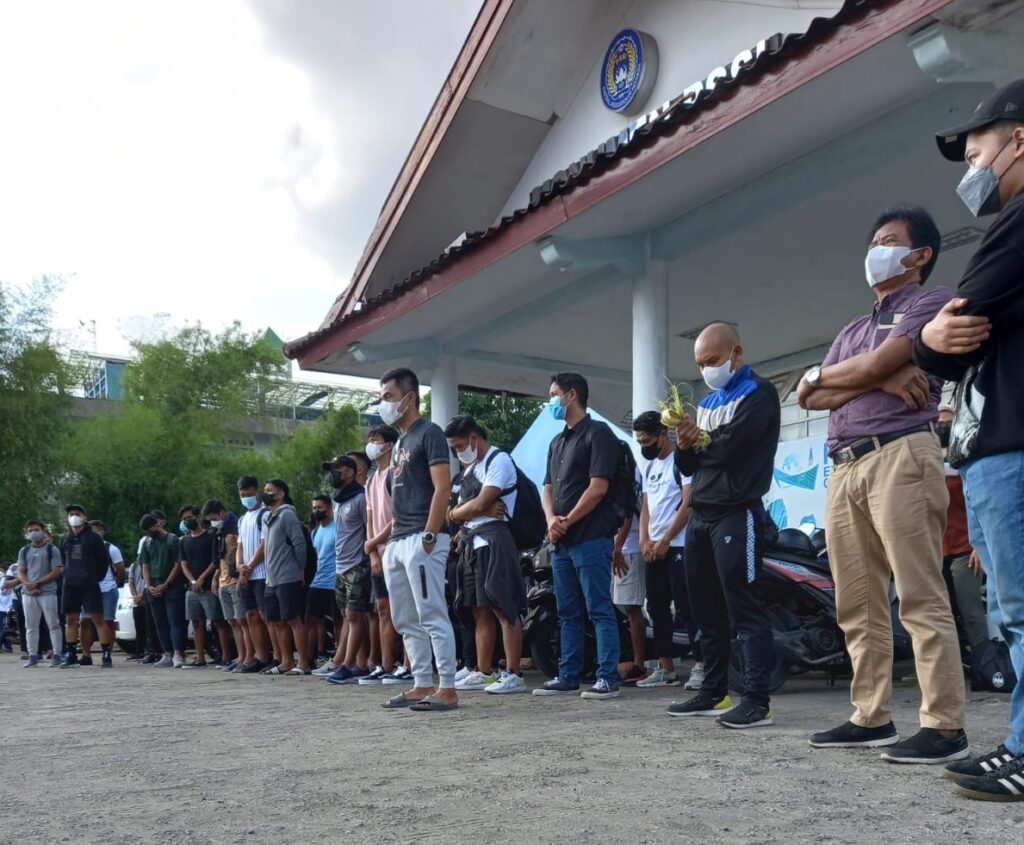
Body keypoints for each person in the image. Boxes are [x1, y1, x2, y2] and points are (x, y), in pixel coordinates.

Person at [799, 206, 968, 762]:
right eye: (873, 240)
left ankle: (944, 725)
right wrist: (874, 374)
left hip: (902, 453)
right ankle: (871, 716)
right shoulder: (851, 329)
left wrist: (872, 369)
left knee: (918, 592)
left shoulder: (929, 301)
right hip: (844, 466)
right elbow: (808, 396)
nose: (875, 250)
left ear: (919, 255)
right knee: (857, 602)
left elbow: (884, 361)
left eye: (888, 240)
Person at [912, 80, 1024, 799]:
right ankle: (1019, 740)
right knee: (1014, 610)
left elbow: (959, 320)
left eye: (976, 147)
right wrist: (931, 337)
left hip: (1013, 445)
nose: (970, 167)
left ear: (1019, 139)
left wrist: (924, 338)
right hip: (995, 446)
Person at [668, 324, 780, 728]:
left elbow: (731, 448)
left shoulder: (759, 393)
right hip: (700, 516)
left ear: (736, 352)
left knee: (745, 609)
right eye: (700, 364)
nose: (706, 370)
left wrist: (699, 442)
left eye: (712, 361)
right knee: (705, 612)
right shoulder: (707, 403)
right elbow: (690, 465)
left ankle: (757, 699)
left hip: (738, 512)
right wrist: (685, 445)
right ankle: (712, 692)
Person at [535, 372, 623, 701]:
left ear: (572, 395)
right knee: (567, 611)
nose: (551, 401)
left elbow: (598, 487)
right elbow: (547, 486)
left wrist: (567, 521)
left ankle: (607, 677)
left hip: (591, 537)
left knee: (599, 608)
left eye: (554, 393)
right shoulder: (557, 441)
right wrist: (551, 520)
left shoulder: (598, 434)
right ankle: (568, 675)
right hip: (561, 542)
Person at [377, 367, 459, 711]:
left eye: (388, 397)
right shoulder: (398, 445)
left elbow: (443, 487)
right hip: (398, 540)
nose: (384, 405)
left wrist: (429, 534)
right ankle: (421, 682)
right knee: (405, 619)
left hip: (422, 539)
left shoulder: (431, 433)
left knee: (432, 613)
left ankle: (449, 687)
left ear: (409, 398)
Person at [446, 415, 529, 695]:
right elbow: (461, 511)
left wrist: (468, 510)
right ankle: (483, 670)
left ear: (473, 438)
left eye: (459, 445)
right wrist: (466, 511)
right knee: (479, 609)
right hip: (471, 544)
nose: (459, 452)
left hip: (495, 541)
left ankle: (514, 672)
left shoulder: (499, 460)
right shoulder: (470, 471)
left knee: (503, 606)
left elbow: (481, 502)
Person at [632, 411, 698, 689]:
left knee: (687, 606)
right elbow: (646, 506)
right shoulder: (650, 468)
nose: (643, 446)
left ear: (663, 435)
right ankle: (665, 666)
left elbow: (688, 504)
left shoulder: (680, 462)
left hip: (678, 544)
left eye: (647, 440)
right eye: (639, 441)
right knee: (656, 607)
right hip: (654, 547)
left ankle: (701, 665)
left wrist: (666, 539)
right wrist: (644, 540)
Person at [361, 424, 412, 685]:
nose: (371, 443)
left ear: (390, 445)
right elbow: (371, 517)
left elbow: (398, 515)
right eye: (370, 439)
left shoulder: (396, 472)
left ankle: (408, 664)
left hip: (398, 547)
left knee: (404, 608)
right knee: (383, 609)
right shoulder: (371, 480)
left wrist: (374, 543)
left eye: (376, 439)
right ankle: (386, 664)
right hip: (379, 553)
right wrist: (372, 552)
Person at [314, 456, 372, 685]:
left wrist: (370, 557)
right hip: (341, 565)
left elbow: (371, 528)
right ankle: (359, 663)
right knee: (346, 617)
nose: (333, 474)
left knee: (354, 615)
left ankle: (347, 666)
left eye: (337, 470)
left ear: (351, 472)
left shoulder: (360, 497)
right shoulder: (339, 500)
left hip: (357, 564)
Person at [936, 405, 987, 654]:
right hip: (934, 552)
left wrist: (980, 544)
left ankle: (984, 663)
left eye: (947, 423)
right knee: (940, 615)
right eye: (938, 424)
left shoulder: (963, 457)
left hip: (965, 549)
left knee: (971, 612)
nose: (942, 427)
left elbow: (978, 503)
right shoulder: (925, 460)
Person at [261, 478, 311, 675]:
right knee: (276, 621)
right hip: (271, 578)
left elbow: (299, 543)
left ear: (281, 494)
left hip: (287, 576)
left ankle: (304, 663)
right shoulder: (268, 517)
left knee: (293, 620)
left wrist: (301, 569)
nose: (266, 493)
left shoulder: (287, 515)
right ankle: (286, 661)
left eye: (270, 490)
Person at [58, 504, 114, 669]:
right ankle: (71, 654)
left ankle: (106, 653)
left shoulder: (94, 538)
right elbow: (61, 560)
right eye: (71, 514)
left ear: (84, 517)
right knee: (71, 620)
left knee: (98, 619)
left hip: (89, 584)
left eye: (77, 513)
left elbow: (104, 561)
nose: (74, 516)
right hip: (70, 584)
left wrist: (95, 577)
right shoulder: (64, 538)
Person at [179, 505, 229, 668]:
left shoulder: (211, 536)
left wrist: (201, 579)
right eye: (185, 519)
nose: (187, 521)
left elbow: (215, 561)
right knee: (196, 623)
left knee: (218, 622)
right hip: (192, 588)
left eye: (189, 517)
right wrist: (193, 581)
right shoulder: (184, 540)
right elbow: (183, 564)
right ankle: (200, 658)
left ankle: (226, 657)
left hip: (208, 586)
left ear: (198, 517)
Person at [612, 464, 646, 686]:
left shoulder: (626, 481)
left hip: (628, 550)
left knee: (632, 608)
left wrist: (617, 548)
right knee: (625, 607)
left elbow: (626, 516)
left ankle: (639, 664)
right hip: (622, 549)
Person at [236, 476, 273, 674]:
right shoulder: (242, 519)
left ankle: (274, 654)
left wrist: (249, 566)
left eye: (249, 494)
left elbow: (264, 544)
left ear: (256, 492)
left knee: (264, 615)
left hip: (261, 573)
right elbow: (239, 546)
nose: (246, 498)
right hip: (246, 575)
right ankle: (260, 656)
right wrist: (240, 567)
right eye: (243, 495)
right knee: (250, 616)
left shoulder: (264, 514)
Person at [139, 513, 186, 668]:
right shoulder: (147, 543)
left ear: (158, 524)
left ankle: (178, 654)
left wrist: (166, 584)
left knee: (175, 621)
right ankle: (167, 653)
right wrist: (148, 585)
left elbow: (178, 564)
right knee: (160, 623)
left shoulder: (173, 540)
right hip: (153, 587)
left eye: (151, 528)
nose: (149, 532)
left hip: (172, 587)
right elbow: (145, 566)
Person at [202, 499, 244, 671]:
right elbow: (221, 557)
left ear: (221, 512)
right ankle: (240, 656)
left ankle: (247, 656)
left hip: (235, 578)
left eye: (213, 517)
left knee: (242, 621)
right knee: (232, 622)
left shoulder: (236, 526)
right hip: (223, 580)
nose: (212, 521)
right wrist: (215, 577)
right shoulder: (219, 531)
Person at [16, 520, 64, 668]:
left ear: (43, 531)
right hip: (28, 594)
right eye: (30, 530)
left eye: (36, 529)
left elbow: (56, 570)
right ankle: (32, 655)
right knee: (30, 626)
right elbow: (21, 571)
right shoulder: (24, 551)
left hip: (47, 592)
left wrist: (37, 583)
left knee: (53, 624)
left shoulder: (52, 550)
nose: (33, 533)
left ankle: (57, 654)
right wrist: (28, 584)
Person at [80, 520, 124, 667]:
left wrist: (113, 584)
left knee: (107, 620)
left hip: (107, 589)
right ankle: (86, 654)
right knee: (85, 621)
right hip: (88, 589)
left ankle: (107, 653)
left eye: (94, 530)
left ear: (101, 531)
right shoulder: (83, 546)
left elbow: (120, 569)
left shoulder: (111, 548)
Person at [306, 495, 337, 668]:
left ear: (329, 508)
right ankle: (310, 657)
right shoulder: (316, 532)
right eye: (314, 508)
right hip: (318, 581)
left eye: (319, 508)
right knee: (310, 619)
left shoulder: (337, 527)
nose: (316, 511)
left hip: (334, 581)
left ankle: (339, 656)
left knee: (338, 620)